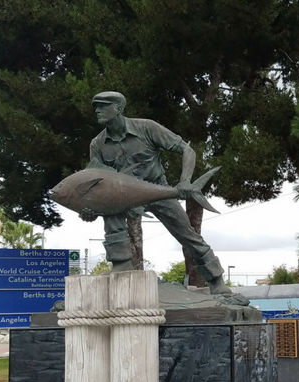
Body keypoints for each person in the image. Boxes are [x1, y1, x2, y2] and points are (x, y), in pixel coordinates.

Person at [80, 91, 231, 295]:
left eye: (102, 105)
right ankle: (121, 264)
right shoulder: (97, 144)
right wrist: (89, 209)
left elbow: (187, 150)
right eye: (95, 107)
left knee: (187, 234)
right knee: (110, 212)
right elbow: (97, 184)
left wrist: (185, 180)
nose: (97, 110)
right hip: (123, 197)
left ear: (119, 108)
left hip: (157, 189)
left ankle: (216, 280)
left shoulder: (147, 128)